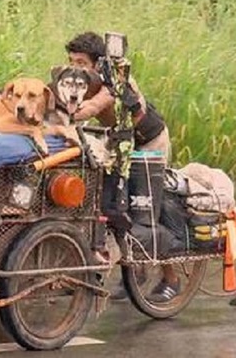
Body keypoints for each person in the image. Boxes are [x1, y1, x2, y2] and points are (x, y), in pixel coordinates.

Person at [65, 31, 179, 302]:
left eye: (81, 62)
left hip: (148, 142)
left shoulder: (114, 77)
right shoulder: (74, 82)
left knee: (147, 207)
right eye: (71, 61)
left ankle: (171, 277)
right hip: (119, 141)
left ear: (97, 63)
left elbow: (93, 107)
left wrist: (65, 114)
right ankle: (133, 272)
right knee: (111, 204)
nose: (75, 68)